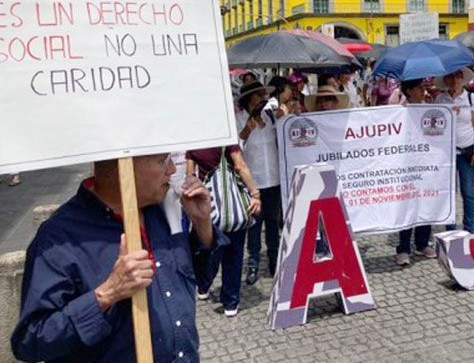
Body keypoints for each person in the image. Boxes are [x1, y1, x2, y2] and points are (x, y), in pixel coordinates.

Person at [11, 154, 223, 361]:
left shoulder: (163, 210)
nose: (172, 169)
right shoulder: (59, 238)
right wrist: (107, 294)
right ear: (124, 167)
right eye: (162, 161)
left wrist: (202, 224)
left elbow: (200, 281)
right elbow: (30, 342)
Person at [186, 144, 261, 317]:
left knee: (209, 250)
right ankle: (230, 302)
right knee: (234, 254)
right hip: (233, 209)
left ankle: (203, 286)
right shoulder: (226, 139)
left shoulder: (194, 142)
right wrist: (255, 194)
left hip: (209, 207)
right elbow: (239, 165)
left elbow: (189, 176)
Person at [238, 79, 290, 286]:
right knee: (254, 224)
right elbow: (233, 151)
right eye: (259, 95)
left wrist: (284, 121)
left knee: (272, 222)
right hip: (253, 181)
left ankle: (274, 260)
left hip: (273, 179)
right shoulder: (238, 119)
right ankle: (252, 264)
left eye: (263, 94)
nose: (264, 98)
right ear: (249, 100)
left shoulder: (270, 118)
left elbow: (285, 141)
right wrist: (246, 132)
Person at [394, 79, 437, 266]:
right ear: (409, 91)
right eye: (419, 88)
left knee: (425, 203)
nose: (423, 91)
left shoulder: (429, 108)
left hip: (426, 164)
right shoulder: (399, 111)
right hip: (407, 165)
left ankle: (422, 243)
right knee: (407, 206)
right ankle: (403, 248)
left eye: (424, 88)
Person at [435, 67, 474, 234]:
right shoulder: (440, 98)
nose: (455, 80)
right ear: (446, 80)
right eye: (451, 77)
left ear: (462, 79)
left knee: (468, 192)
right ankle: (450, 228)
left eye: (458, 77)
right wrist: (448, 114)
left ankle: (469, 228)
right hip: (447, 152)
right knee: (449, 193)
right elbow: (435, 125)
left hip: (467, 150)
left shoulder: (470, 97)